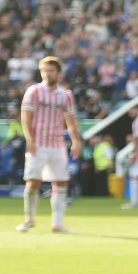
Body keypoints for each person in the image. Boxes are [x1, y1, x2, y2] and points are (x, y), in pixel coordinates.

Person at [17, 57, 82, 233]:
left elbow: (71, 120)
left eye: (50, 70)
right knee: (33, 182)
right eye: (44, 70)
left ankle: (57, 223)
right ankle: (29, 219)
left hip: (57, 144)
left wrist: (76, 141)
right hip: (38, 143)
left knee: (61, 182)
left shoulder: (65, 95)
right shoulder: (34, 91)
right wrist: (29, 140)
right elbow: (26, 118)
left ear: (58, 73)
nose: (47, 73)